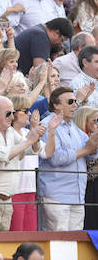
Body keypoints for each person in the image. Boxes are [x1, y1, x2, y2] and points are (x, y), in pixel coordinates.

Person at [0, 95, 45, 231]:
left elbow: (30, 150)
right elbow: (2, 155)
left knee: (3, 245)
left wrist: (36, 138)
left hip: (6, 199)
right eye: (8, 113)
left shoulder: (9, 131)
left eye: (13, 113)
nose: (12, 117)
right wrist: (30, 140)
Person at [39, 86, 98, 231]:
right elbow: (56, 157)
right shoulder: (47, 126)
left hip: (77, 195)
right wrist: (86, 150)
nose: (75, 105)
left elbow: (90, 154)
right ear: (56, 105)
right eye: (70, 101)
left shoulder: (74, 128)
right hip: (56, 196)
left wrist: (94, 143)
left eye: (75, 101)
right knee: (59, 243)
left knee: (75, 243)